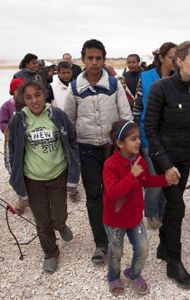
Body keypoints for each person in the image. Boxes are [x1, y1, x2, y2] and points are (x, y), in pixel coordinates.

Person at [64, 39, 132, 265]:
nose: (94, 62)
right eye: (90, 58)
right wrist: (72, 150)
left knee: (115, 192)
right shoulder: (74, 88)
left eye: (98, 58)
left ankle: (117, 234)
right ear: (82, 60)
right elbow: (68, 121)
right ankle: (101, 243)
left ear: (104, 59)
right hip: (87, 150)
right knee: (93, 196)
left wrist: (124, 145)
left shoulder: (114, 85)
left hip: (112, 150)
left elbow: (126, 117)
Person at [144, 40, 190, 287]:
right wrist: (166, 165)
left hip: (184, 158)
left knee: (172, 206)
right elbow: (149, 127)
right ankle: (174, 262)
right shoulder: (161, 88)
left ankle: (161, 246)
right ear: (180, 61)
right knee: (178, 206)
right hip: (164, 159)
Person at [8, 81, 80, 273]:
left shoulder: (57, 115)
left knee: (57, 215)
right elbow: (13, 150)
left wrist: (74, 169)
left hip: (58, 175)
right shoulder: (19, 119)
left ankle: (61, 224)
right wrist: (15, 176)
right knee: (41, 219)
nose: (34, 100)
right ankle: (50, 253)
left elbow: (72, 140)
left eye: (37, 95)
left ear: (45, 95)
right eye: (29, 97)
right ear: (23, 99)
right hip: (33, 179)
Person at [103, 120, 177, 296]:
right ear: (120, 143)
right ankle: (113, 277)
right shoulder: (110, 165)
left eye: (139, 138)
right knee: (116, 251)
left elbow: (147, 181)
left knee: (143, 248)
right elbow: (113, 193)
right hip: (115, 219)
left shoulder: (139, 161)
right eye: (133, 139)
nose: (138, 142)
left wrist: (165, 180)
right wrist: (132, 175)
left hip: (134, 217)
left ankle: (133, 273)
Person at [133, 42, 177, 229]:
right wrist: (135, 137)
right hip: (148, 136)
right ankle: (151, 212)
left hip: (170, 137)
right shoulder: (146, 77)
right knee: (154, 179)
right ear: (161, 58)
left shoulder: (179, 80)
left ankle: (164, 210)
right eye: (171, 58)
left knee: (169, 177)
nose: (174, 62)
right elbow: (137, 107)